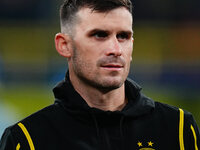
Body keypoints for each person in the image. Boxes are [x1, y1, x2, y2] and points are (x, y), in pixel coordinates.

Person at [0, 0, 199, 149]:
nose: (115, 49)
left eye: (123, 36)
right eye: (99, 35)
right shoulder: (27, 140)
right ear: (65, 45)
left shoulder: (178, 128)